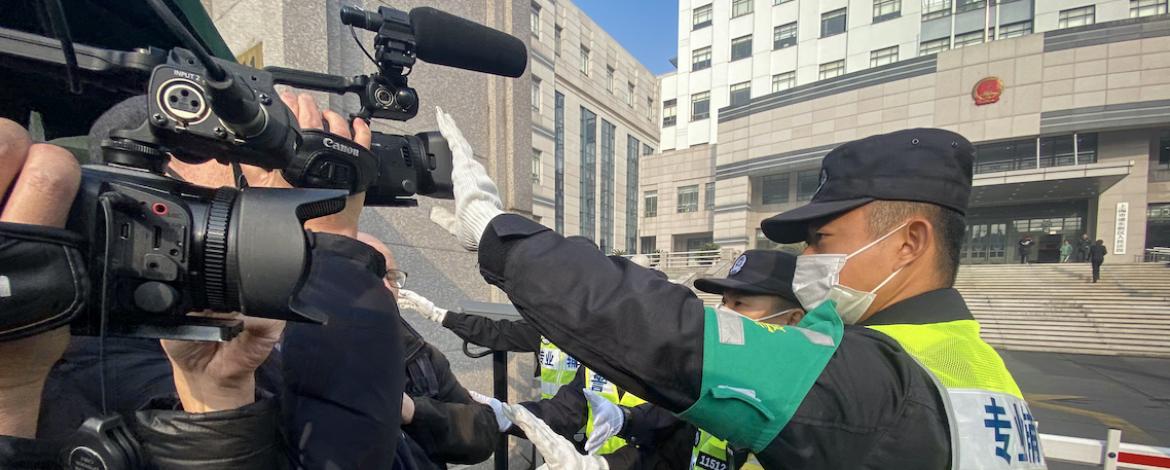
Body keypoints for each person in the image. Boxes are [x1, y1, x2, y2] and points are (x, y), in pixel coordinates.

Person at [430, 110, 1046, 469]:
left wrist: (500, 235)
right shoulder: (975, 373)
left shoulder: (884, 379)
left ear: (910, 242)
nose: (808, 261)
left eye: (822, 239)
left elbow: (676, 339)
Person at [5, 93, 407, 469]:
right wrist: (327, 244)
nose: (278, 185)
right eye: (248, 166)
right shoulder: (103, 360)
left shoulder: (237, 317)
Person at [356, 233, 501, 469]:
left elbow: (482, 434)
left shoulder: (419, 356)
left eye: (391, 276)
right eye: (372, 273)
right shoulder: (301, 351)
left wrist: (414, 411)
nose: (386, 287)